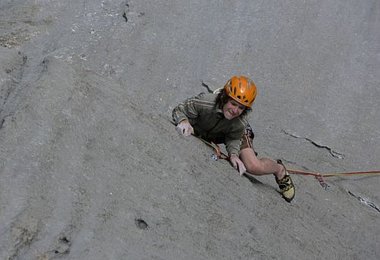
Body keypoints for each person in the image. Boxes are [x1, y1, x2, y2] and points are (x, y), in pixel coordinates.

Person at [172, 75, 295, 202]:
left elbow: (234, 138)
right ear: (224, 98)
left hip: (235, 132)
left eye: (241, 107)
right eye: (233, 103)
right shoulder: (206, 102)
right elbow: (180, 109)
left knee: (253, 166)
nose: (235, 110)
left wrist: (234, 155)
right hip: (211, 130)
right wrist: (184, 120)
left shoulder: (240, 121)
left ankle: (279, 170)